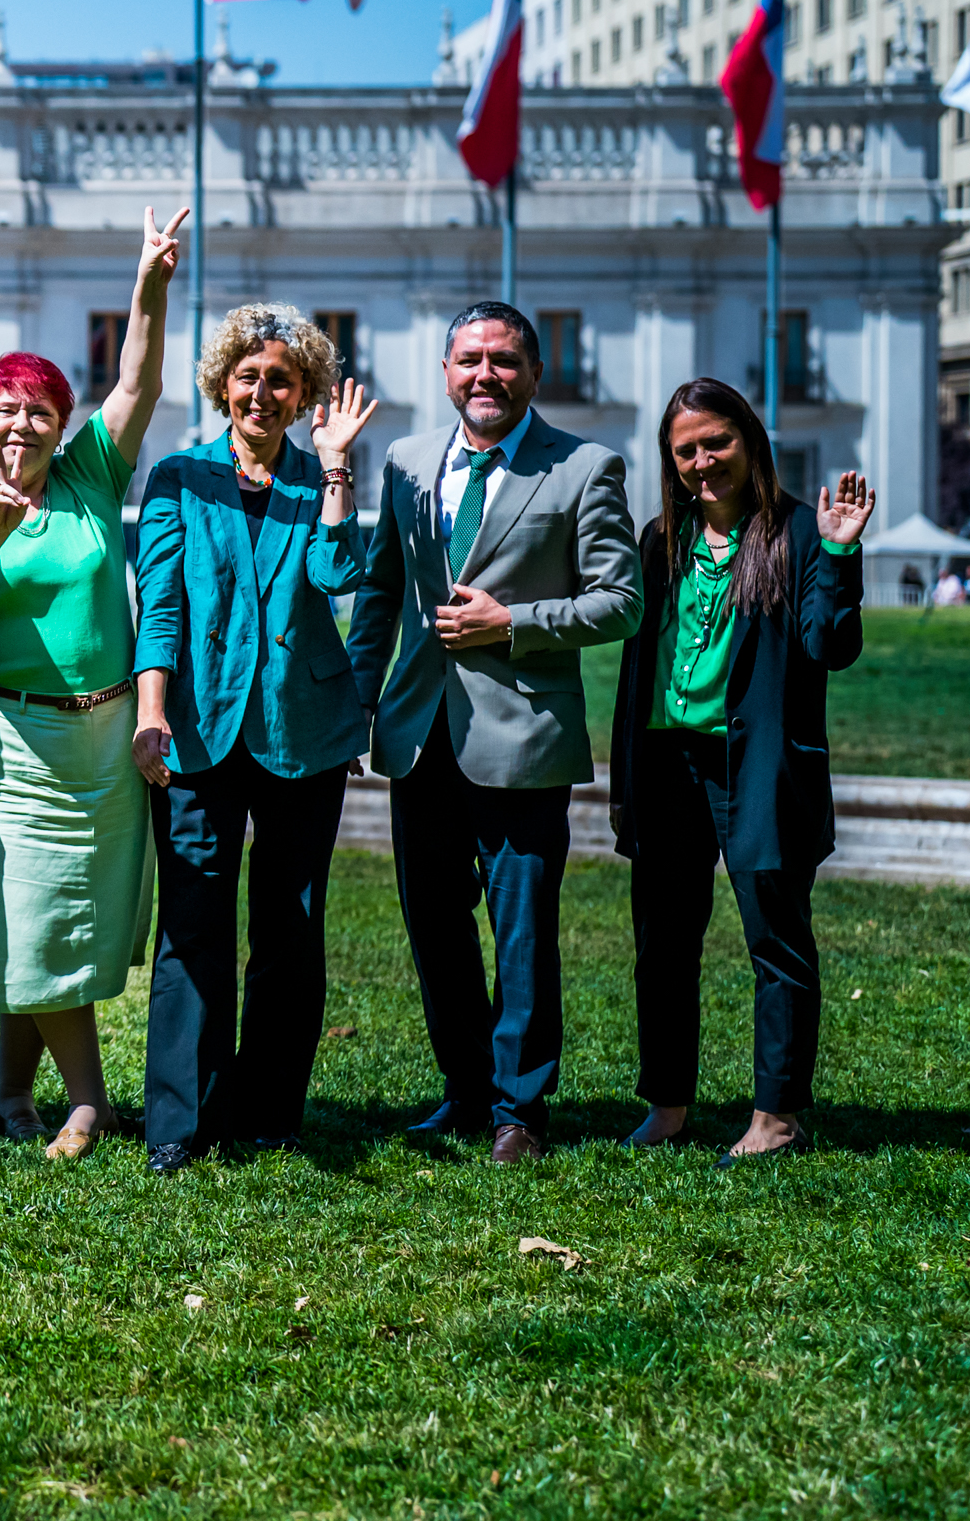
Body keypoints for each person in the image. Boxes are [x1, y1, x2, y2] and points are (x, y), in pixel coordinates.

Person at [347, 302, 641, 1164]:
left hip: (522, 740)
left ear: (533, 374)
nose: (486, 374)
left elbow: (618, 601)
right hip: (419, 735)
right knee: (434, 926)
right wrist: (358, 707)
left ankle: (521, 1109)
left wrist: (512, 620)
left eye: (505, 360)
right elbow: (379, 595)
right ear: (446, 372)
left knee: (521, 932)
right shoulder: (404, 462)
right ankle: (466, 1089)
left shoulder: (586, 467)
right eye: (471, 359)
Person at [0, 207, 182, 1160]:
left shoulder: (91, 477)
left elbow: (141, 379)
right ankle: (88, 1104)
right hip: (3, 743)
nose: (23, 421)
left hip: (105, 743)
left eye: (40, 408)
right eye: (7, 408)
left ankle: (8, 1091)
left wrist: (148, 281)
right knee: (28, 917)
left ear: (60, 424)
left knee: (71, 923)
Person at [130, 306, 376, 1172]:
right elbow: (158, 607)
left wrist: (339, 466)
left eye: (281, 379)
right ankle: (179, 1123)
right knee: (191, 924)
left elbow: (337, 573)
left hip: (301, 733)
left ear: (305, 391)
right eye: (248, 376)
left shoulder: (319, 480)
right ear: (222, 384)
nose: (262, 392)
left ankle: (270, 1111)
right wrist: (150, 712)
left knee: (290, 924)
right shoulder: (178, 477)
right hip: (197, 731)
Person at [610, 379, 871, 1164]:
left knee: (776, 943)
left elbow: (831, 646)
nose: (701, 461)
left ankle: (778, 1117)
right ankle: (667, 1104)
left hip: (756, 770)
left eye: (715, 442)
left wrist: (841, 549)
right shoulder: (663, 539)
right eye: (685, 450)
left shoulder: (797, 532)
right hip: (666, 765)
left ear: (750, 441)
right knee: (662, 942)